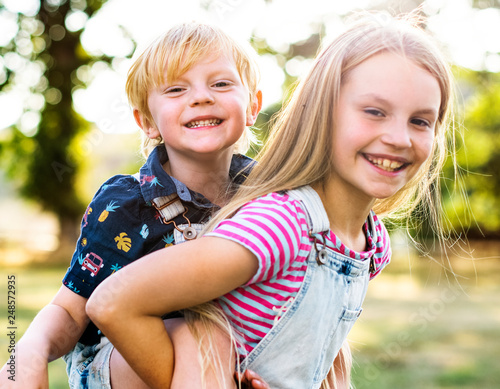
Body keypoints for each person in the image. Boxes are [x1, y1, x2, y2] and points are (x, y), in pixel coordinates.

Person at [87, 9, 457, 389]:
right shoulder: (280, 225)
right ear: (322, 113)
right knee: (201, 338)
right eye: (374, 112)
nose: (399, 137)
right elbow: (111, 303)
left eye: (420, 121)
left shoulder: (371, 243)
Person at [0, 22, 264, 389]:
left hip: (226, 362)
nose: (202, 97)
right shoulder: (126, 205)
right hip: (119, 364)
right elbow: (70, 309)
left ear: (252, 106)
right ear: (147, 122)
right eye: (176, 88)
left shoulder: (270, 198)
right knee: (199, 333)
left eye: (220, 84)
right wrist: (30, 350)